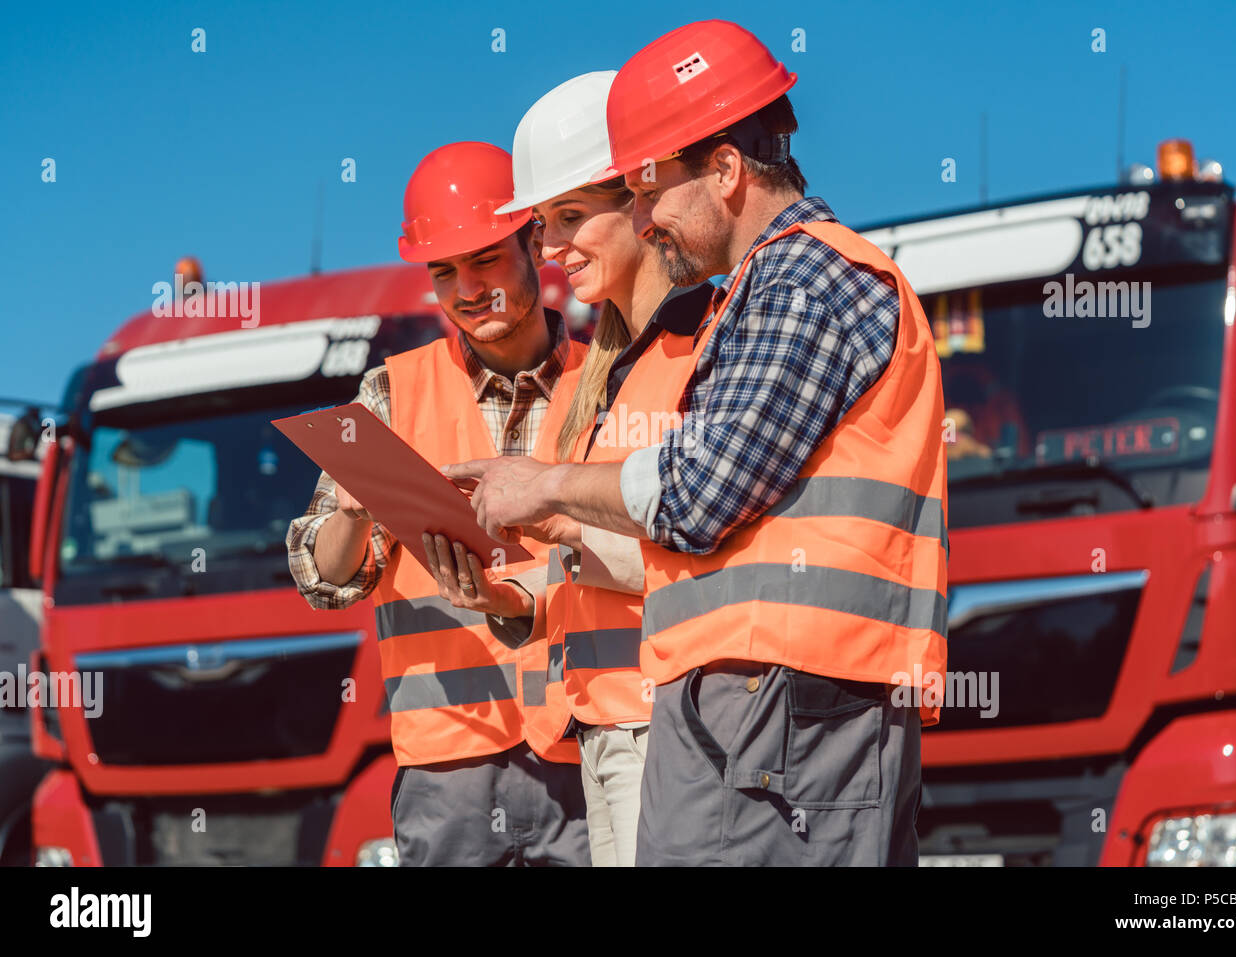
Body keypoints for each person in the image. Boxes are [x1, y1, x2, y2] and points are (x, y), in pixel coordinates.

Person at [447, 20, 949, 866]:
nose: (643, 219)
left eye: (648, 192)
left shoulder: (804, 281)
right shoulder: (771, 287)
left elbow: (698, 492)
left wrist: (546, 488)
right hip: (768, 705)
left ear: (723, 169)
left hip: (785, 705)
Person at [285, 141, 589, 866]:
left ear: (533, 240)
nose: (465, 288)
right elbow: (322, 581)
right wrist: (357, 511)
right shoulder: (390, 394)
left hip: (588, 741)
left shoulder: (607, 379)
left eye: (485, 259)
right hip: (449, 765)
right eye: (444, 270)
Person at [492, 71, 715, 866]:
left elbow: (709, 555)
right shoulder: (599, 376)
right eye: (544, 224)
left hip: (678, 730)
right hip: (604, 730)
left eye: (572, 218)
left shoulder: (711, 350)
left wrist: (554, 516)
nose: (549, 249)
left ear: (643, 201)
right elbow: (595, 568)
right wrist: (499, 590)